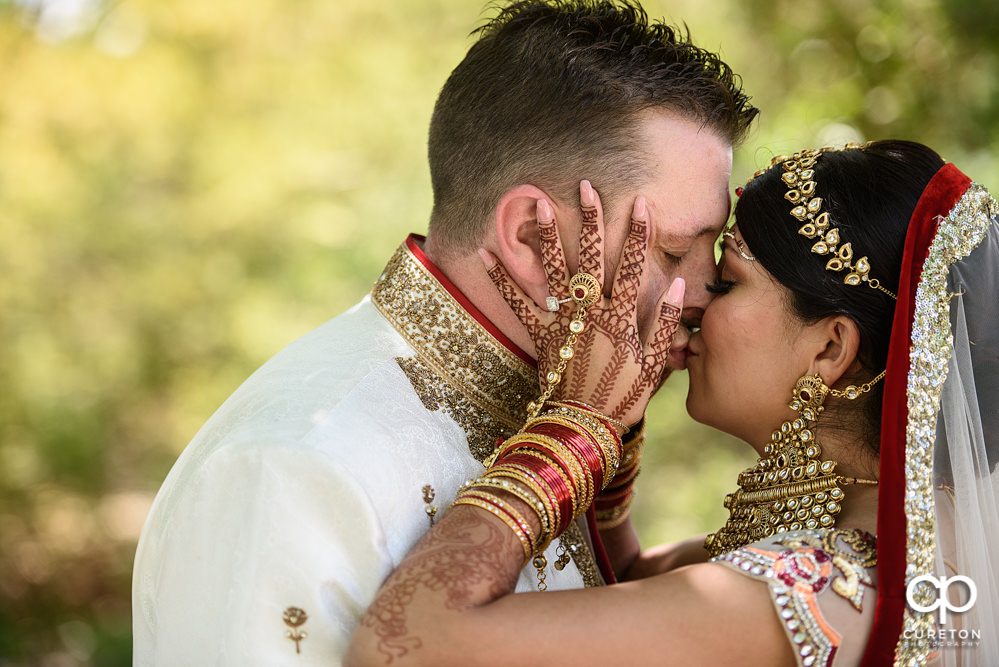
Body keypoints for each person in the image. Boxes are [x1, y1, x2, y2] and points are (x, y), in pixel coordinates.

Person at [131, 1, 758, 663]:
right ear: (526, 235)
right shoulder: (291, 465)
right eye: (670, 251)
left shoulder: (555, 407)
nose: (708, 287)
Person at [344, 140, 999, 667]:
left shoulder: (793, 593)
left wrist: (575, 428)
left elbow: (405, 642)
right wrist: (616, 417)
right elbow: (624, 575)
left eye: (725, 280)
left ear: (830, 348)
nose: (687, 302)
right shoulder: (893, 563)